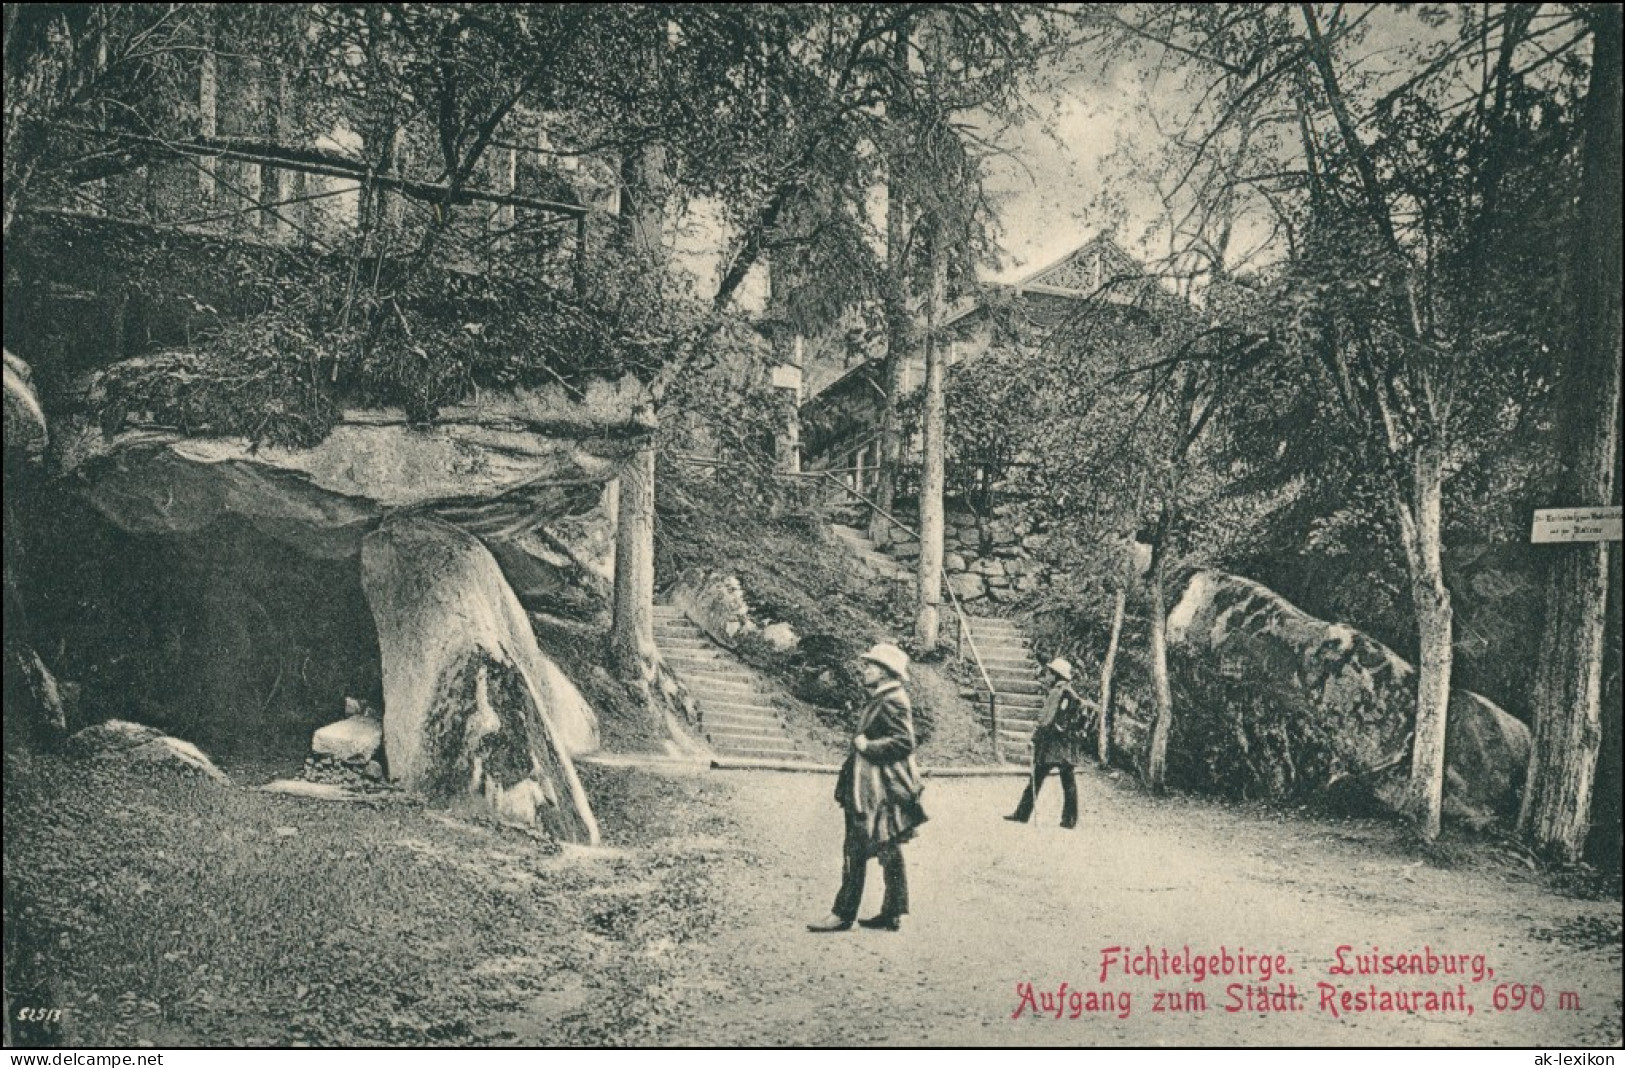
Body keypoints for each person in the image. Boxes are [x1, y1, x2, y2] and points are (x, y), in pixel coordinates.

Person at [808, 642, 927, 933]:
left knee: (856, 847)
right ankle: (892, 911)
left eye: (871, 666)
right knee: (888, 845)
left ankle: (843, 913)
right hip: (877, 785)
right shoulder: (885, 696)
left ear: (886, 672)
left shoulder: (891, 699)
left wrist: (867, 746)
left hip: (877, 788)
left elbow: (904, 742)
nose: (865, 670)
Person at [1004, 657, 1092, 829]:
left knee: (1036, 778)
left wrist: (1035, 737)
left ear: (1056, 675)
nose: (1047, 676)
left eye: (1050, 673)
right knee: (1068, 782)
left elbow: (1046, 720)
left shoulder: (1056, 692)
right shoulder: (1072, 693)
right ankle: (1069, 820)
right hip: (1067, 745)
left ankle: (1022, 814)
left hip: (1052, 745)